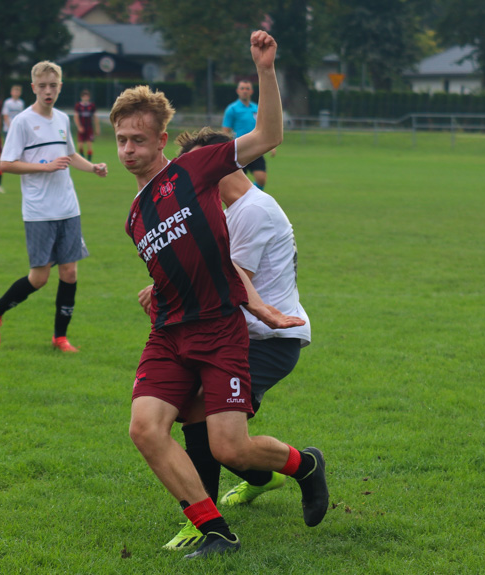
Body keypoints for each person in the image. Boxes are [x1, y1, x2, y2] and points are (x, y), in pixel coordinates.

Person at [110, 30, 328, 560]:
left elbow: (269, 134)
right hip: (169, 334)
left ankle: (305, 465)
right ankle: (214, 530)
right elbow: (189, 267)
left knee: (227, 444)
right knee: (145, 427)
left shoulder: (196, 169)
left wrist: (266, 70)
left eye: (139, 140)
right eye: (120, 141)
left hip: (218, 330)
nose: (129, 150)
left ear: (162, 139)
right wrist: (157, 293)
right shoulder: (135, 217)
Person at [137, 127, 312, 551]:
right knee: (216, 432)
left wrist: (164, 292)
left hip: (268, 339)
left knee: (217, 432)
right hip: (234, 334)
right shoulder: (228, 210)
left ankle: (210, 519)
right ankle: (257, 482)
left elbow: (226, 283)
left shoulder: (253, 211)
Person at [0, 61, 108, 353]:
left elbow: (71, 154)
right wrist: (44, 166)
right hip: (39, 211)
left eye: (53, 85)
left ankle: (60, 338)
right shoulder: (23, 122)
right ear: (33, 88)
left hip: (68, 207)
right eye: (42, 86)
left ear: (60, 86)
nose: (48, 91)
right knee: (39, 278)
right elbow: (6, 164)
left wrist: (93, 168)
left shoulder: (63, 119)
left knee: (70, 273)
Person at [222, 80, 275, 190]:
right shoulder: (232, 109)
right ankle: (243, 201)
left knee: (261, 178)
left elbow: (264, 128)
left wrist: (272, 145)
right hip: (240, 150)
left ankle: (252, 196)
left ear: (251, 91)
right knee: (239, 182)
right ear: (238, 91)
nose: (244, 91)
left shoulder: (257, 108)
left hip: (256, 148)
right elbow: (225, 131)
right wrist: (224, 149)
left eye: (247, 89)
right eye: (242, 88)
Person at [73, 89, 99, 162]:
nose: (85, 98)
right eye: (84, 96)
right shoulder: (78, 106)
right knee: (80, 147)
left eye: (87, 96)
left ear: (89, 97)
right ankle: (83, 160)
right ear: (81, 97)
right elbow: (76, 117)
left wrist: (97, 128)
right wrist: (79, 127)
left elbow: (95, 117)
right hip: (81, 129)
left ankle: (89, 161)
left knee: (89, 146)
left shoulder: (92, 106)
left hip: (89, 128)